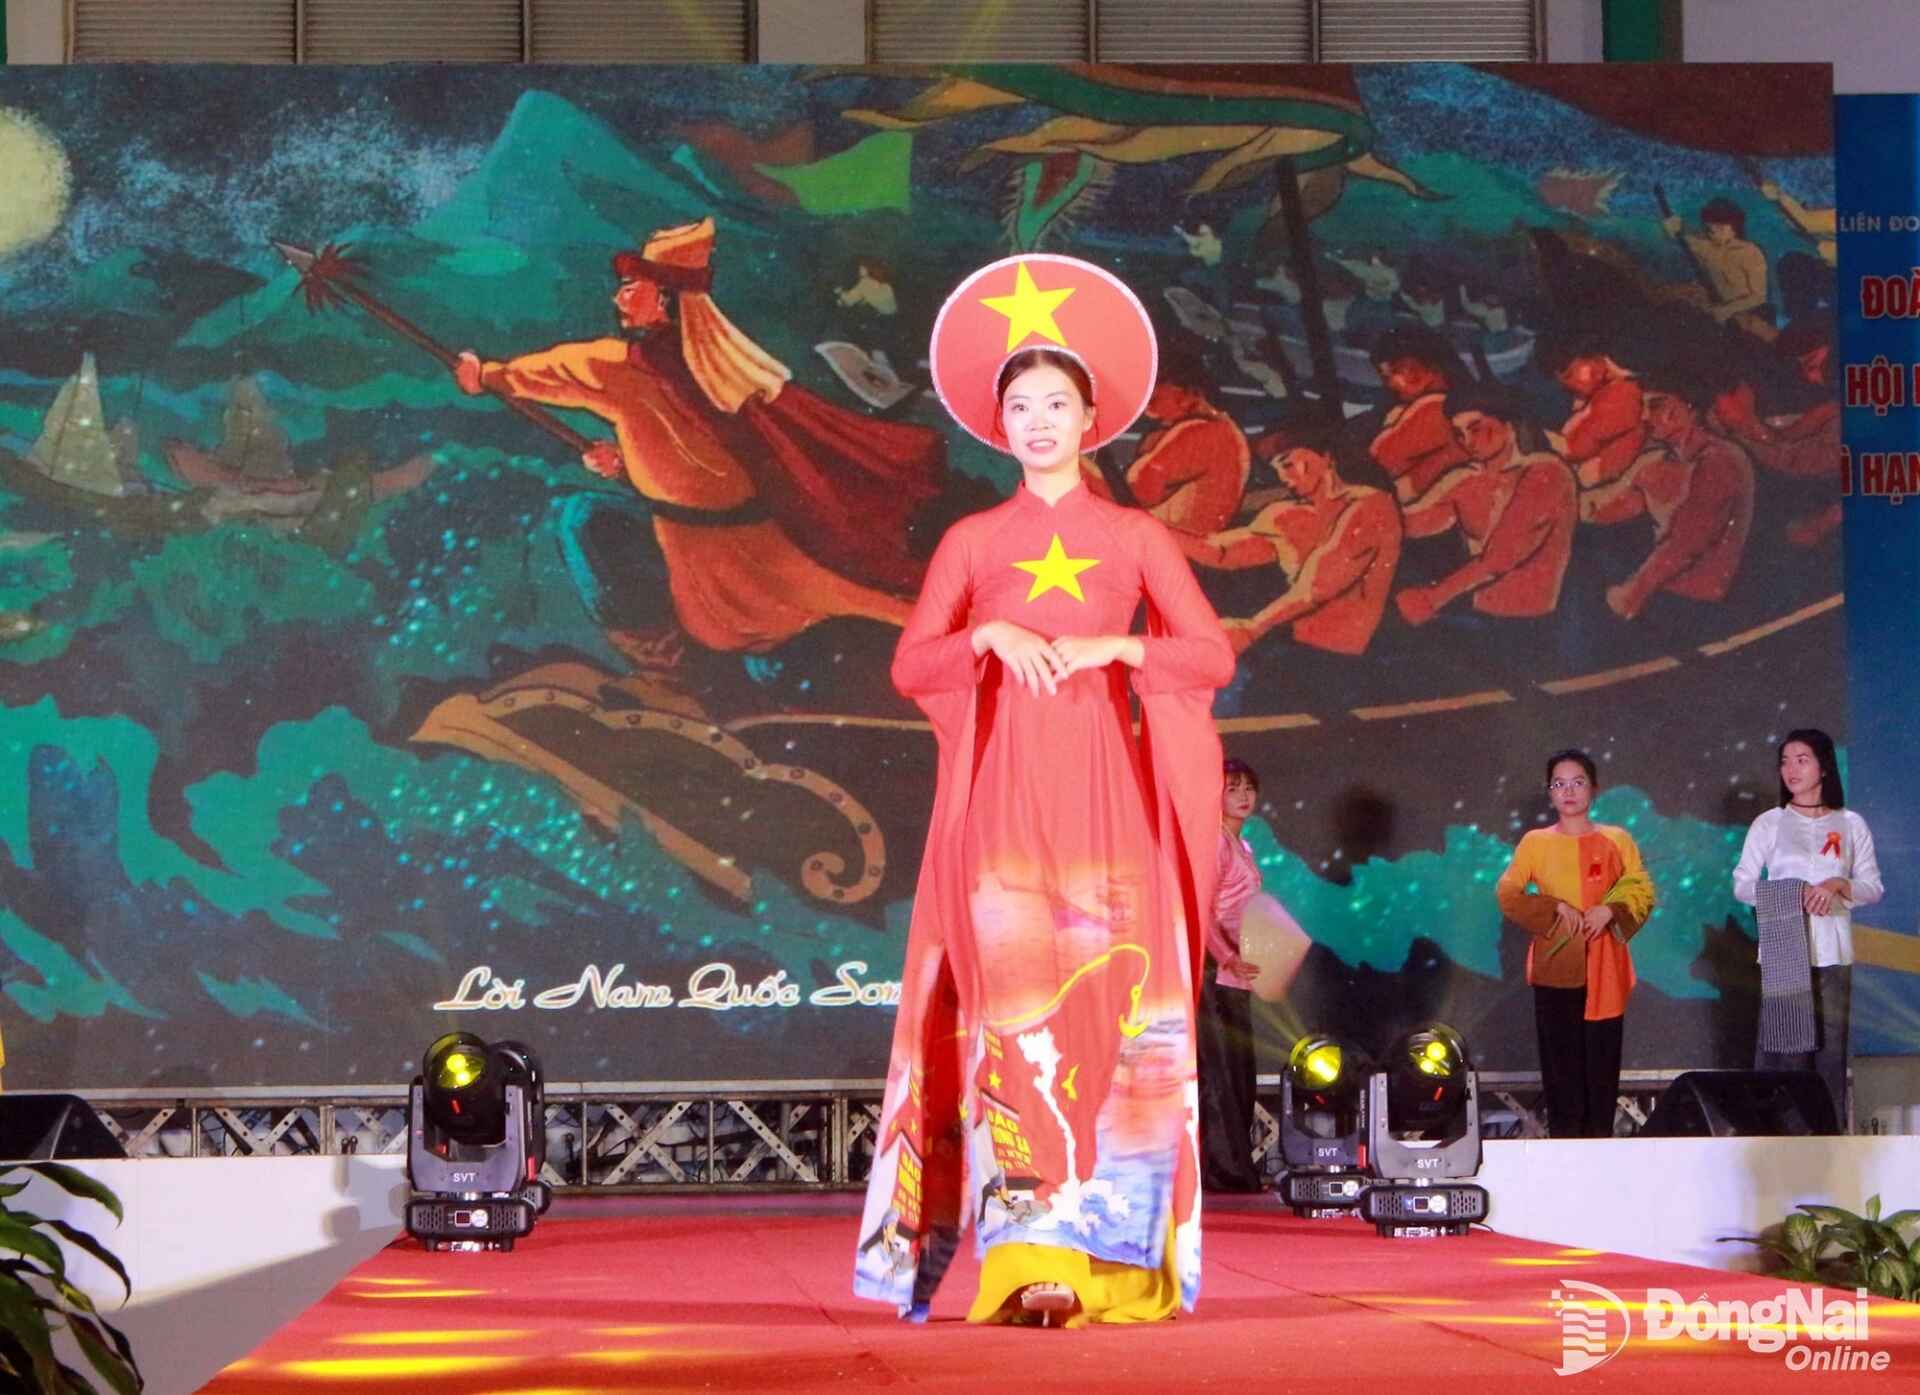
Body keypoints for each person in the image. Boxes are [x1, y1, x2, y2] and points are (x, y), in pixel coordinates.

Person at [854, 255, 1234, 1328]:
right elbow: (909, 663)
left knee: (1117, 1023)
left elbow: (1210, 657)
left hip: (1111, 813)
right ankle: (1029, 1265)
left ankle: (1118, 1258)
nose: (1035, 422)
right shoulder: (974, 541)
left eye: (1054, 405)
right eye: (1017, 407)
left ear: (1090, 417)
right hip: (1004, 819)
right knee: (1013, 1025)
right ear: (998, 422)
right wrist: (985, 630)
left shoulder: (1135, 537)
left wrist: (1123, 644)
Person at [453, 217, 943, 654]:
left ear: (663, 297)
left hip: (749, 547)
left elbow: (565, 373)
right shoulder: (684, 370)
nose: (618, 297)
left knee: (845, 605)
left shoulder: (646, 370)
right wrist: (628, 464)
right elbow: (681, 450)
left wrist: (491, 376)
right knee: (741, 629)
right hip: (699, 551)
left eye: (631, 286)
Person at [1495, 750, 1656, 1138]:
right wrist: (1553, 908)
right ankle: (1566, 1152)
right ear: (1550, 793)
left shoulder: (1617, 840)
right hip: (1556, 967)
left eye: (1577, 782)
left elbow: (1641, 887)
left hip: (1605, 968)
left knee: (1601, 1070)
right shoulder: (1535, 842)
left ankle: (1598, 1151)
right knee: (1561, 1070)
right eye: (1559, 784)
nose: (1568, 791)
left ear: (1594, 788)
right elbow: (1508, 892)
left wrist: (1611, 911)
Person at [1731, 729, 1882, 1124]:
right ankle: (1778, 1140)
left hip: (1832, 953)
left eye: (1802, 759)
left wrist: (1839, 885)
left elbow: (1873, 887)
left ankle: (1825, 1142)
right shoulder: (1770, 823)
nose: (1791, 769)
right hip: (1784, 953)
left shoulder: (1850, 823)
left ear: (1824, 766)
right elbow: (1742, 884)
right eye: (1785, 761)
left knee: (1830, 1055)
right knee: (1786, 1055)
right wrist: (1790, 894)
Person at [1177, 421, 1403, 656]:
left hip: (1343, 659)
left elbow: (1317, 587)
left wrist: (1251, 630)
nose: (1283, 476)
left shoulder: (1371, 505)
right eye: (1275, 468)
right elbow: (1221, 552)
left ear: (1326, 456)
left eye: (1288, 463)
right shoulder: (1284, 514)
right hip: (1289, 644)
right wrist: (1150, 527)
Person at [1395, 395, 1578, 626]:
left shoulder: (1546, 473)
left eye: (1477, 429)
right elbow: (1411, 523)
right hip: (1474, 609)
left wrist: (1431, 598)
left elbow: (1501, 557)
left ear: (1508, 425)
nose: (1468, 442)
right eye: (1460, 434)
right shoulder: (1467, 478)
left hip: (1530, 623)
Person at [1198, 759, 1266, 1193]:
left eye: (1248, 788)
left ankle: (1233, 1170)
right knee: (1220, 1077)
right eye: (1232, 788)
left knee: (1239, 1074)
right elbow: (1201, 910)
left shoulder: (1242, 846)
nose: (1243, 796)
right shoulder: (1216, 845)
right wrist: (1224, 956)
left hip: (1237, 974)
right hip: (1215, 974)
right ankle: (1224, 1172)